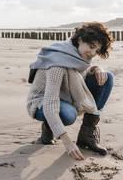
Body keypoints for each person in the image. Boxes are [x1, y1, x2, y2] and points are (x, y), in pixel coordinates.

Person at [26, 22, 114, 161]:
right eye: (91, 47)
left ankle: (86, 135)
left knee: (107, 77)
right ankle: (49, 129)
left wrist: (96, 69)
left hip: (64, 97)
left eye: (96, 50)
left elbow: (80, 74)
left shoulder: (77, 56)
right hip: (42, 103)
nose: (92, 53)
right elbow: (50, 105)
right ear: (80, 39)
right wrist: (67, 141)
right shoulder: (58, 62)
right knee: (68, 114)